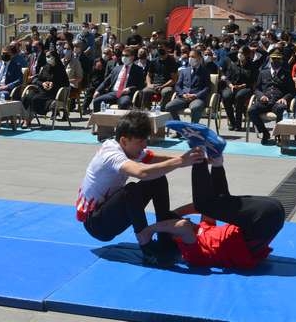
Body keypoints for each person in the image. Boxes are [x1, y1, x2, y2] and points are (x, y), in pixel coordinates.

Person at [138, 123, 285, 269]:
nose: (186, 220)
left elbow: (203, 211)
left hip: (266, 214)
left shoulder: (203, 229)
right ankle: (199, 147)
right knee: (206, 205)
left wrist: (174, 213)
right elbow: (184, 226)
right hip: (259, 227)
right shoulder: (191, 252)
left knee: (219, 201)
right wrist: (150, 230)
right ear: (175, 237)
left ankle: (215, 158)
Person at [76, 111, 206, 265]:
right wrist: (181, 162)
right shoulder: (111, 154)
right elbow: (141, 172)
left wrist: (192, 159)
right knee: (130, 190)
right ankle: (146, 246)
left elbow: (153, 159)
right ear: (124, 141)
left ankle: (165, 238)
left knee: (158, 177)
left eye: (146, 140)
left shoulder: (127, 147)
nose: (144, 145)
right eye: (140, 141)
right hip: (97, 225)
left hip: (108, 212)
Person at [248, 49, 296, 145]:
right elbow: (256, 89)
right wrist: (261, 96)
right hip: (265, 101)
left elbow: (292, 91)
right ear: (270, 60)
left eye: (278, 59)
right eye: (273, 59)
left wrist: (285, 98)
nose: (275, 61)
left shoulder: (286, 73)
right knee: (251, 110)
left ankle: (278, 135)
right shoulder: (263, 73)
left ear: (281, 60)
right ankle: (265, 133)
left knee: (281, 109)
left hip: (278, 102)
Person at [21, 49, 68, 127]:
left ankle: (27, 120)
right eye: (46, 57)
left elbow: (66, 83)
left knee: (35, 99)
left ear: (54, 57)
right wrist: (43, 83)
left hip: (53, 92)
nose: (47, 58)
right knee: (27, 96)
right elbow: (36, 79)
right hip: (41, 90)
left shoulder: (61, 69)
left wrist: (54, 84)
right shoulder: (45, 67)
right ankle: (26, 119)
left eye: (49, 56)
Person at [166, 49, 211, 124]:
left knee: (195, 107)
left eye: (193, 57)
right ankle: (180, 129)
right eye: (189, 57)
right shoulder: (184, 71)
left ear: (199, 58)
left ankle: (192, 130)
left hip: (197, 98)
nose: (190, 59)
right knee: (169, 106)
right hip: (183, 97)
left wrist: (196, 95)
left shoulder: (205, 72)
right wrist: (183, 94)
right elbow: (178, 85)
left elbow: (207, 88)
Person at [221, 45, 255, 131]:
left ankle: (238, 123)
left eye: (242, 53)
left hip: (246, 88)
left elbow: (253, 81)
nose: (240, 54)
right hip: (232, 86)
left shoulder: (252, 66)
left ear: (247, 55)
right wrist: (231, 85)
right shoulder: (233, 64)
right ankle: (232, 122)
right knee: (226, 96)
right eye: (239, 52)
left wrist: (241, 86)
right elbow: (227, 78)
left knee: (239, 96)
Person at [142, 44, 178, 110]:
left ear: (167, 49)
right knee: (145, 91)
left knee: (166, 92)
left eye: (162, 47)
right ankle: (146, 111)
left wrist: (162, 86)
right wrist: (149, 84)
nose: (160, 49)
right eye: (158, 48)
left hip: (167, 85)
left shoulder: (172, 61)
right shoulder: (153, 61)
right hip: (154, 85)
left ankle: (162, 110)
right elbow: (149, 75)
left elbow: (174, 79)